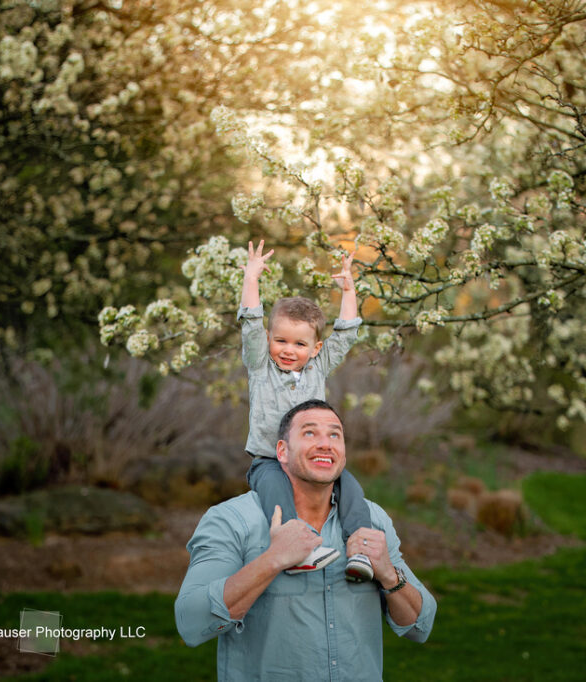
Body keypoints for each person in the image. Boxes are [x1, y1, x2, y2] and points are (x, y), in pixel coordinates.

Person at [175, 400, 437, 681]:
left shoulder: (373, 520)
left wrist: (388, 574)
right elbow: (192, 622)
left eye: (335, 435)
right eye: (310, 433)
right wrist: (273, 560)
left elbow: (420, 628)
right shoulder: (232, 520)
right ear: (282, 451)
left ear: (344, 454)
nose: (326, 444)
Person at [238, 239, 374, 581]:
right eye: (280, 341)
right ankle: (297, 550)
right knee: (276, 493)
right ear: (269, 339)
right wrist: (251, 278)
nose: (288, 350)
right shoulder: (260, 366)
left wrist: (348, 291)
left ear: (315, 349)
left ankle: (362, 549)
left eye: (299, 344)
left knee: (351, 488)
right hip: (269, 460)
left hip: (312, 461)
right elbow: (251, 323)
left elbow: (345, 334)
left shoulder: (318, 366)